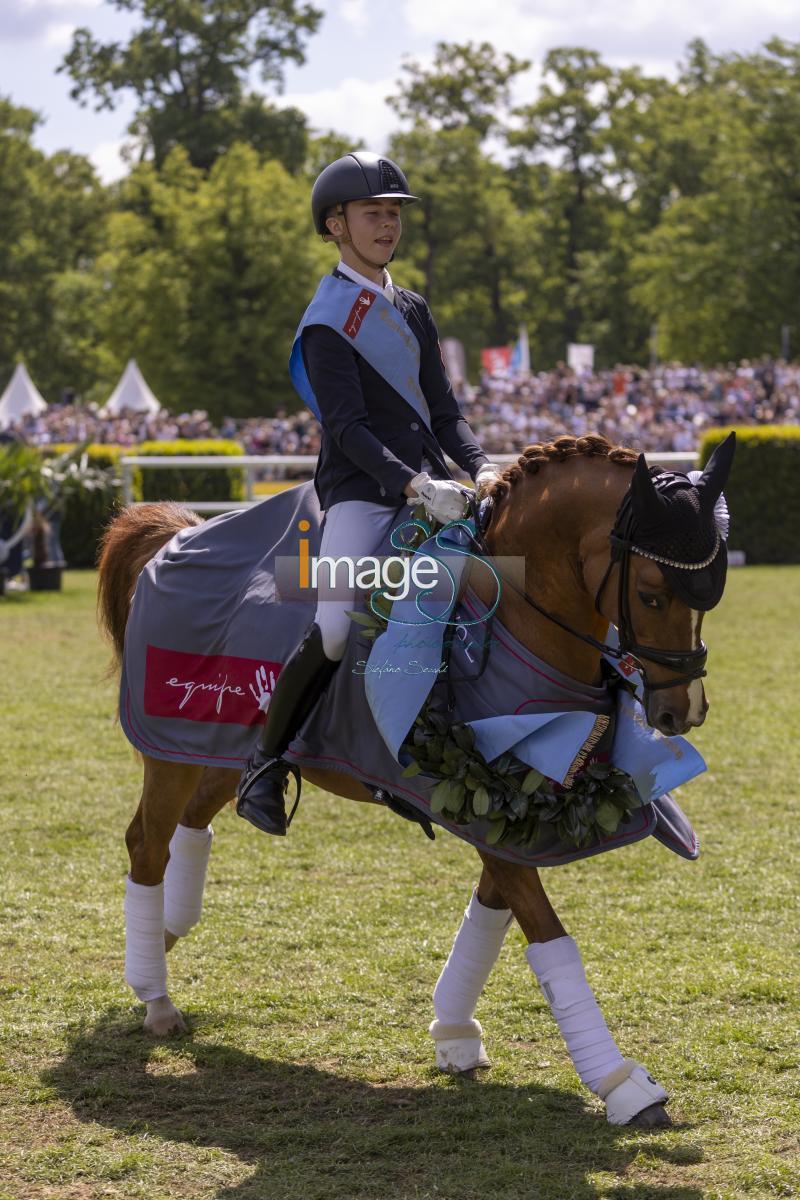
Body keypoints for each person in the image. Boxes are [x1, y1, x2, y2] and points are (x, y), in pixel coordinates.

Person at [236, 151, 502, 836]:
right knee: (332, 627)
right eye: (372, 214)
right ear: (335, 225)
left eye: (394, 214)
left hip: (438, 487)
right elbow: (347, 428)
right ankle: (264, 766)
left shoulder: (411, 307)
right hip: (364, 492)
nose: (387, 225)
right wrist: (412, 484)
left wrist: (483, 467)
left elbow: (445, 411)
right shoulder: (327, 319)